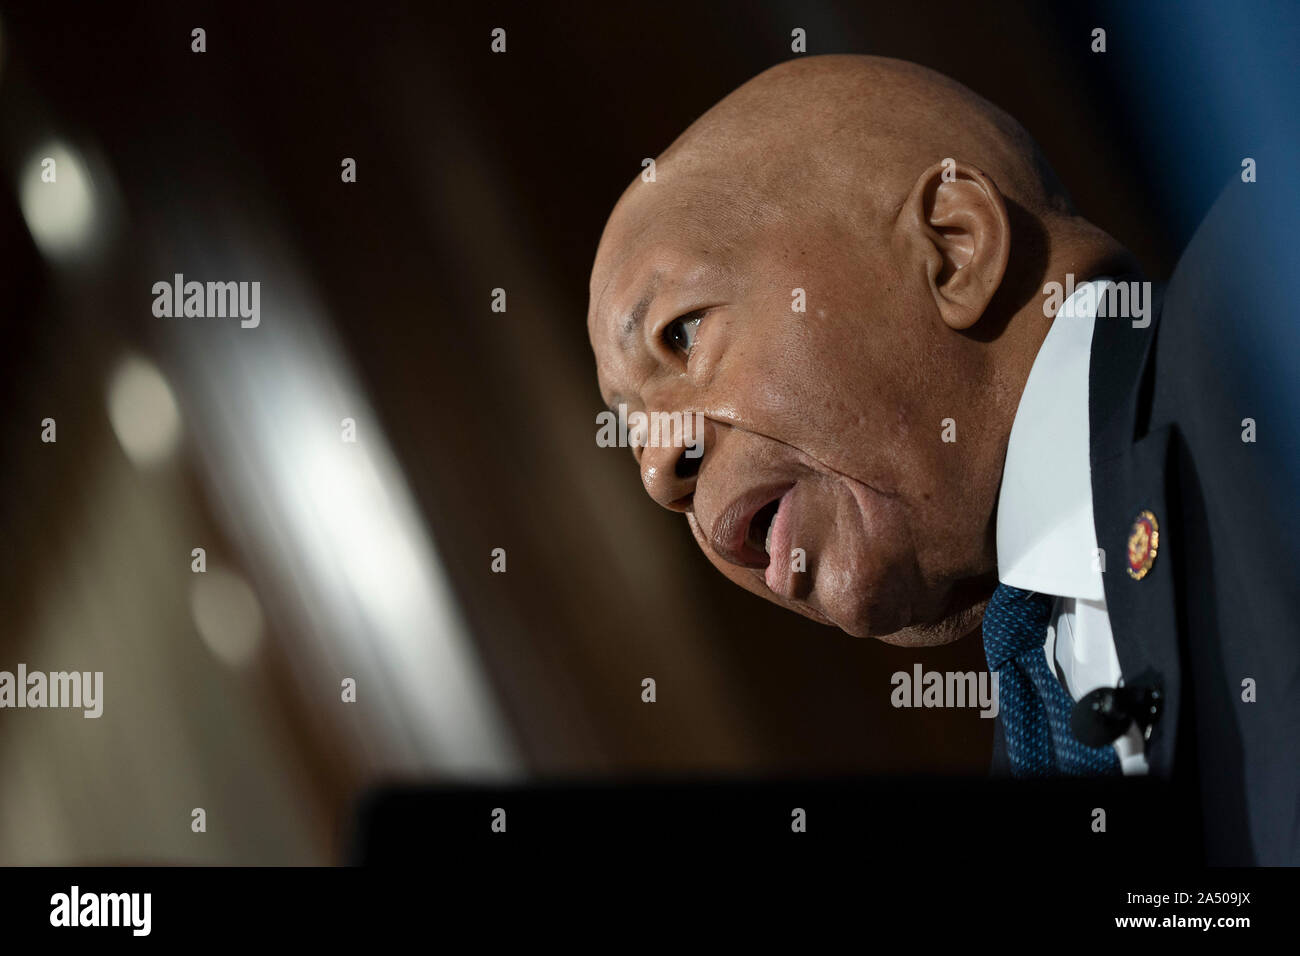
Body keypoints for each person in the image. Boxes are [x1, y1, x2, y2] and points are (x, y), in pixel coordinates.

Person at [586, 54, 1299, 865]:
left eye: (680, 332)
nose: (656, 471)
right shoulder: (1045, 727)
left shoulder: (1271, 313)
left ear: (954, 247)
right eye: (634, 429)